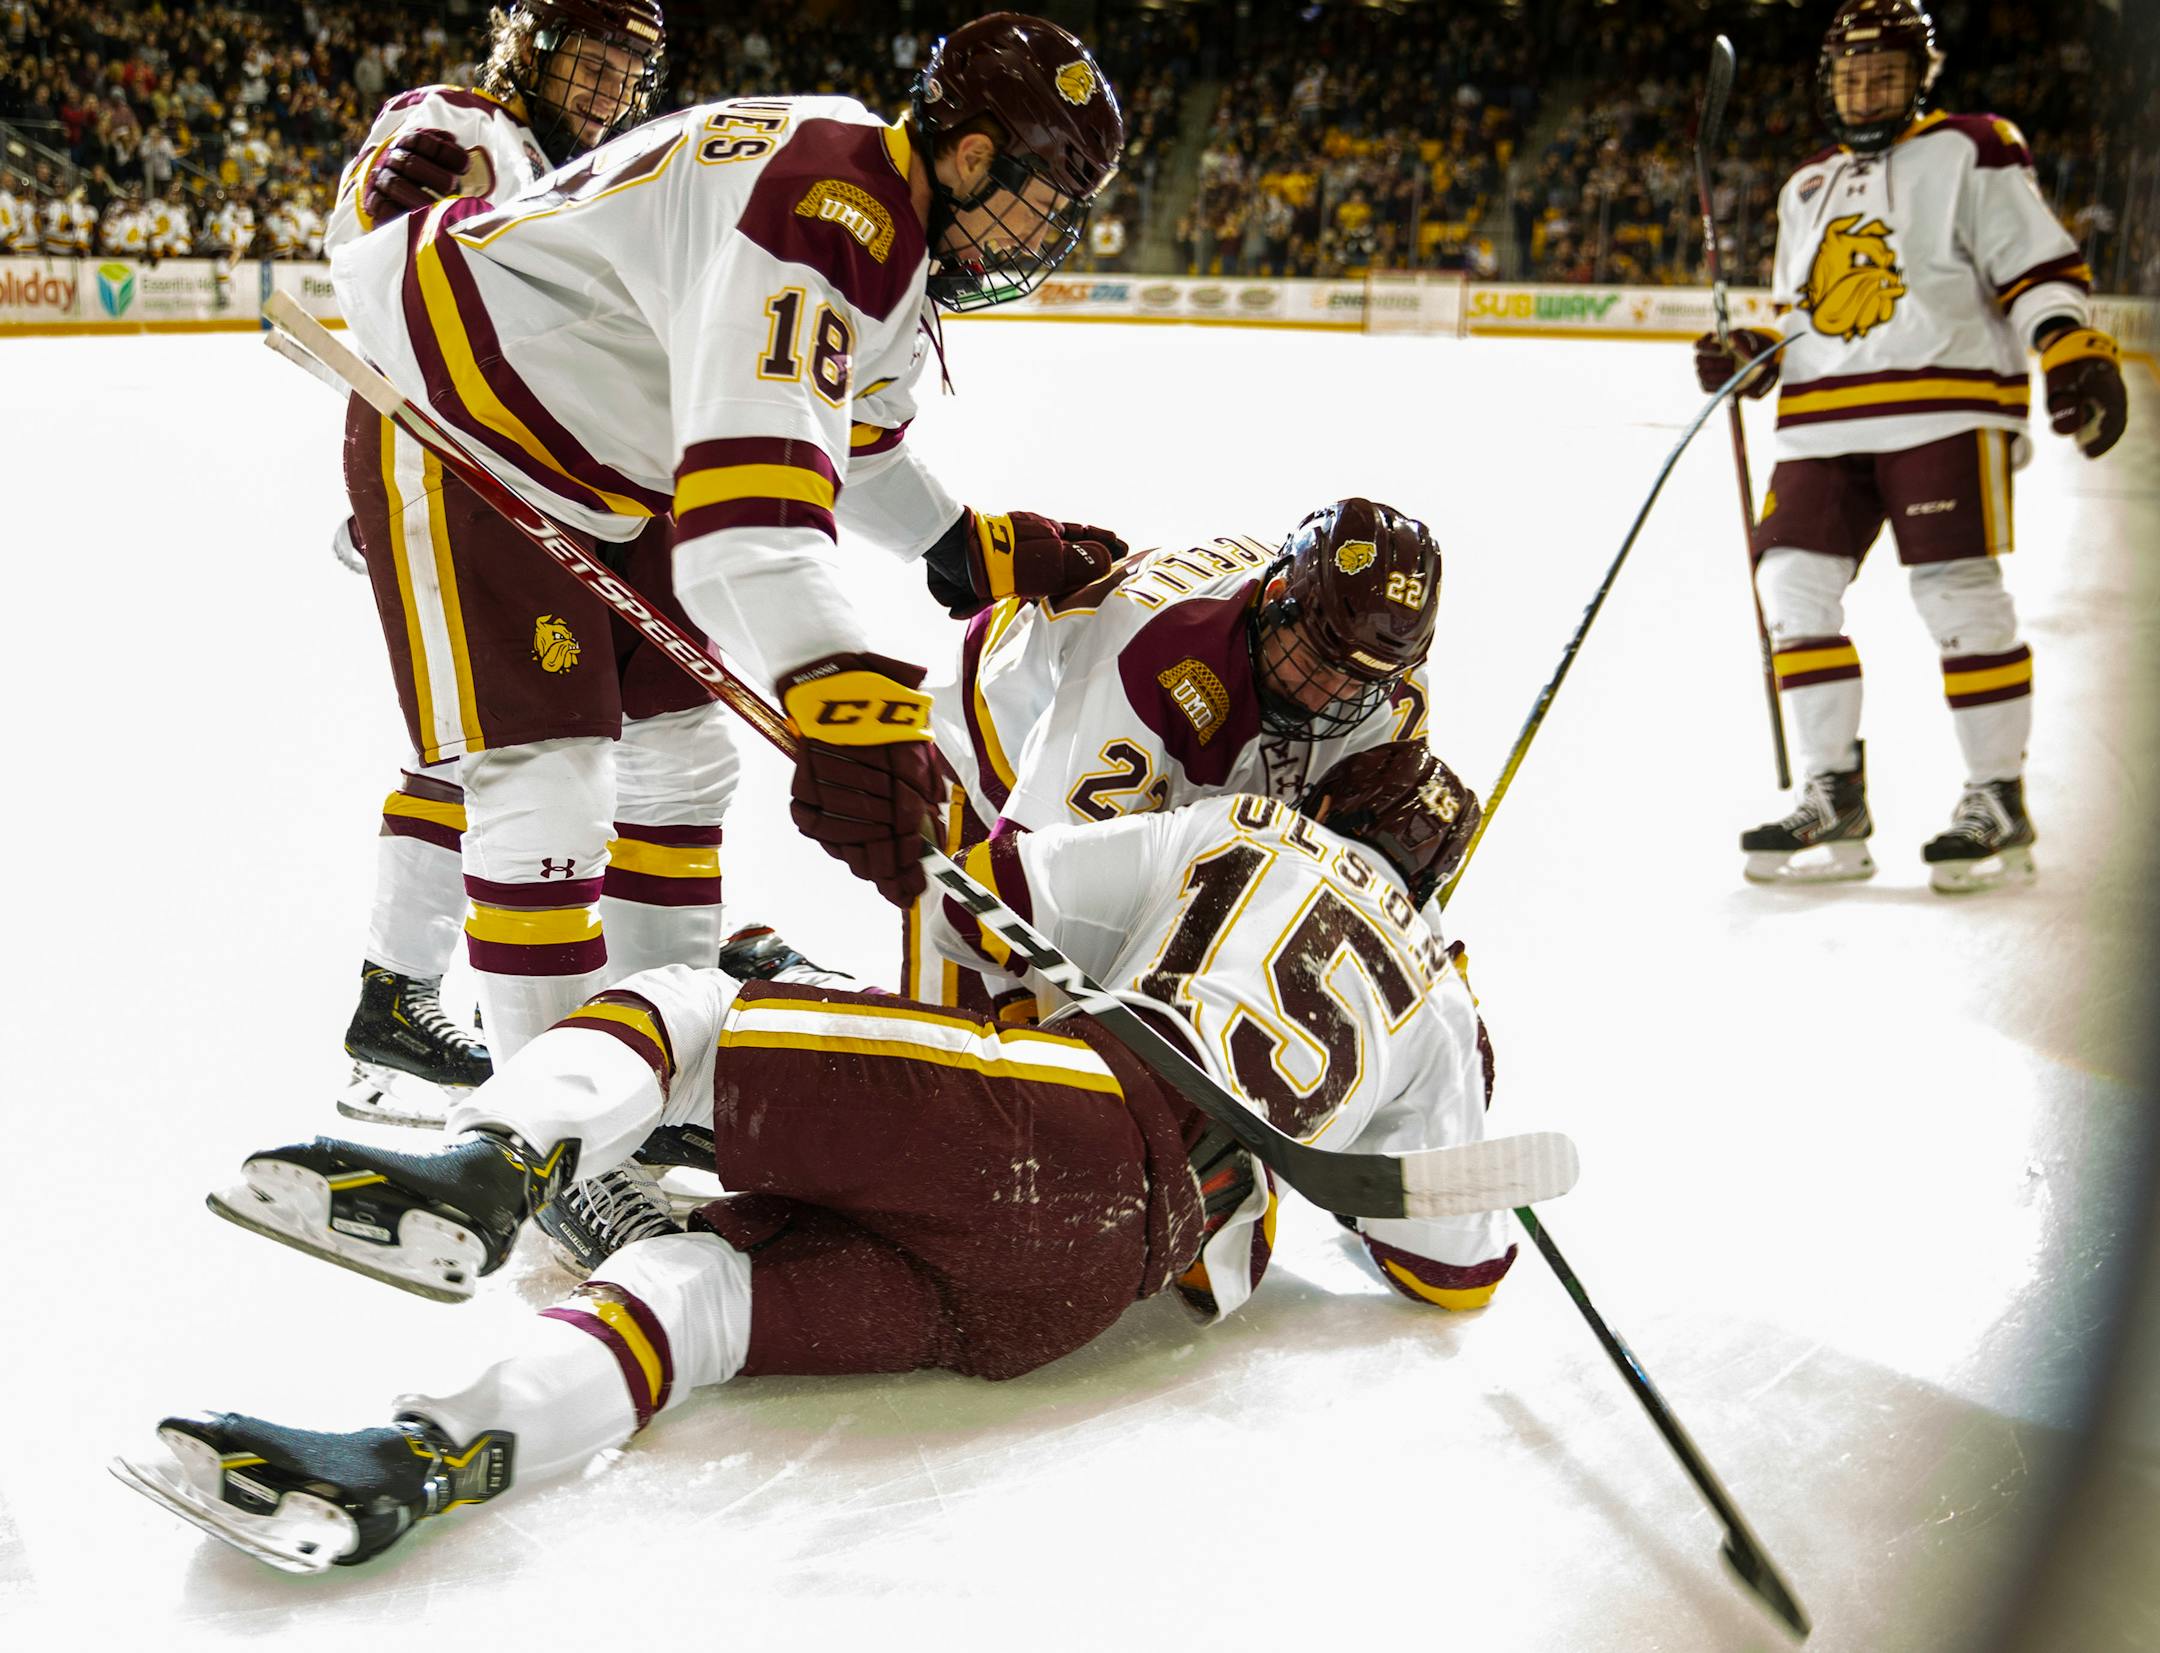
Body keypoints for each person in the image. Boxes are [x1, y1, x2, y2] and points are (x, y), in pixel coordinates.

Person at [112, 743, 1517, 1573]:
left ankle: (490, 1170)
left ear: (1331, 804)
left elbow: (1004, 891)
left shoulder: (1244, 827)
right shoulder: (1443, 1003)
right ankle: (410, 1467)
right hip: (1089, 1296)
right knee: (696, 1284)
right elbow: (1456, 1268)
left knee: (704, 1005)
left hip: (1074, 1121)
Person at [325, 12, 1129, 1075]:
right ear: (973, 154)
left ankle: (653, 1075)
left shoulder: (878, 213)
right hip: (465, 416)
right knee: (548, 783)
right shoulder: (826, 211)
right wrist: (847, 699)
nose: (1039, 239)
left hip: (612, 459)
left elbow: (852, 453)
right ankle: (548, 1143)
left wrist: (961, 545)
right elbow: (745, 519)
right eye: (1041, 203)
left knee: (681, 763)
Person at [319, 0, 673, 1127]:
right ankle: (410, 1007)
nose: (610, 84)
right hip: (454, 479)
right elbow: (379, 246)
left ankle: (399, 1004)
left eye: (628, 66)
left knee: (484, 748)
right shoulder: (467, 126)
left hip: (533, 483)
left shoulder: (585, 169)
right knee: (516, 752)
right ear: (528, 45)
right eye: (592, 56)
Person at [1694, 0, 2128, 893]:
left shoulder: (1974, 147)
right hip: (1821, 419)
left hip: (1946, 405)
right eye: (1851, 76)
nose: (1865, 90)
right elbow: (1800, 316)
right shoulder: (1805, 185)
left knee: (1956, 594)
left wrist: (2069, 347)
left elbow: (2034, 264)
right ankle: (1831, 793)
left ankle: (1997, 797)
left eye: (1884, 74)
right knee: (1792, 589)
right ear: (1828, 83)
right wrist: (1754, 355)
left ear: (1919, 76)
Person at [904, 497, 1439, 1010]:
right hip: (994, 748)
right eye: (1318, 662)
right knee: (970, 1040)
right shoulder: (1160, 651)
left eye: (1359, 681)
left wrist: (1431, 977)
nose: (1329, 696)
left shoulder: (1386, 678)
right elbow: (1013, 892)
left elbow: (1376, 866)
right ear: (1277, 599)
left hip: (1179, 768)